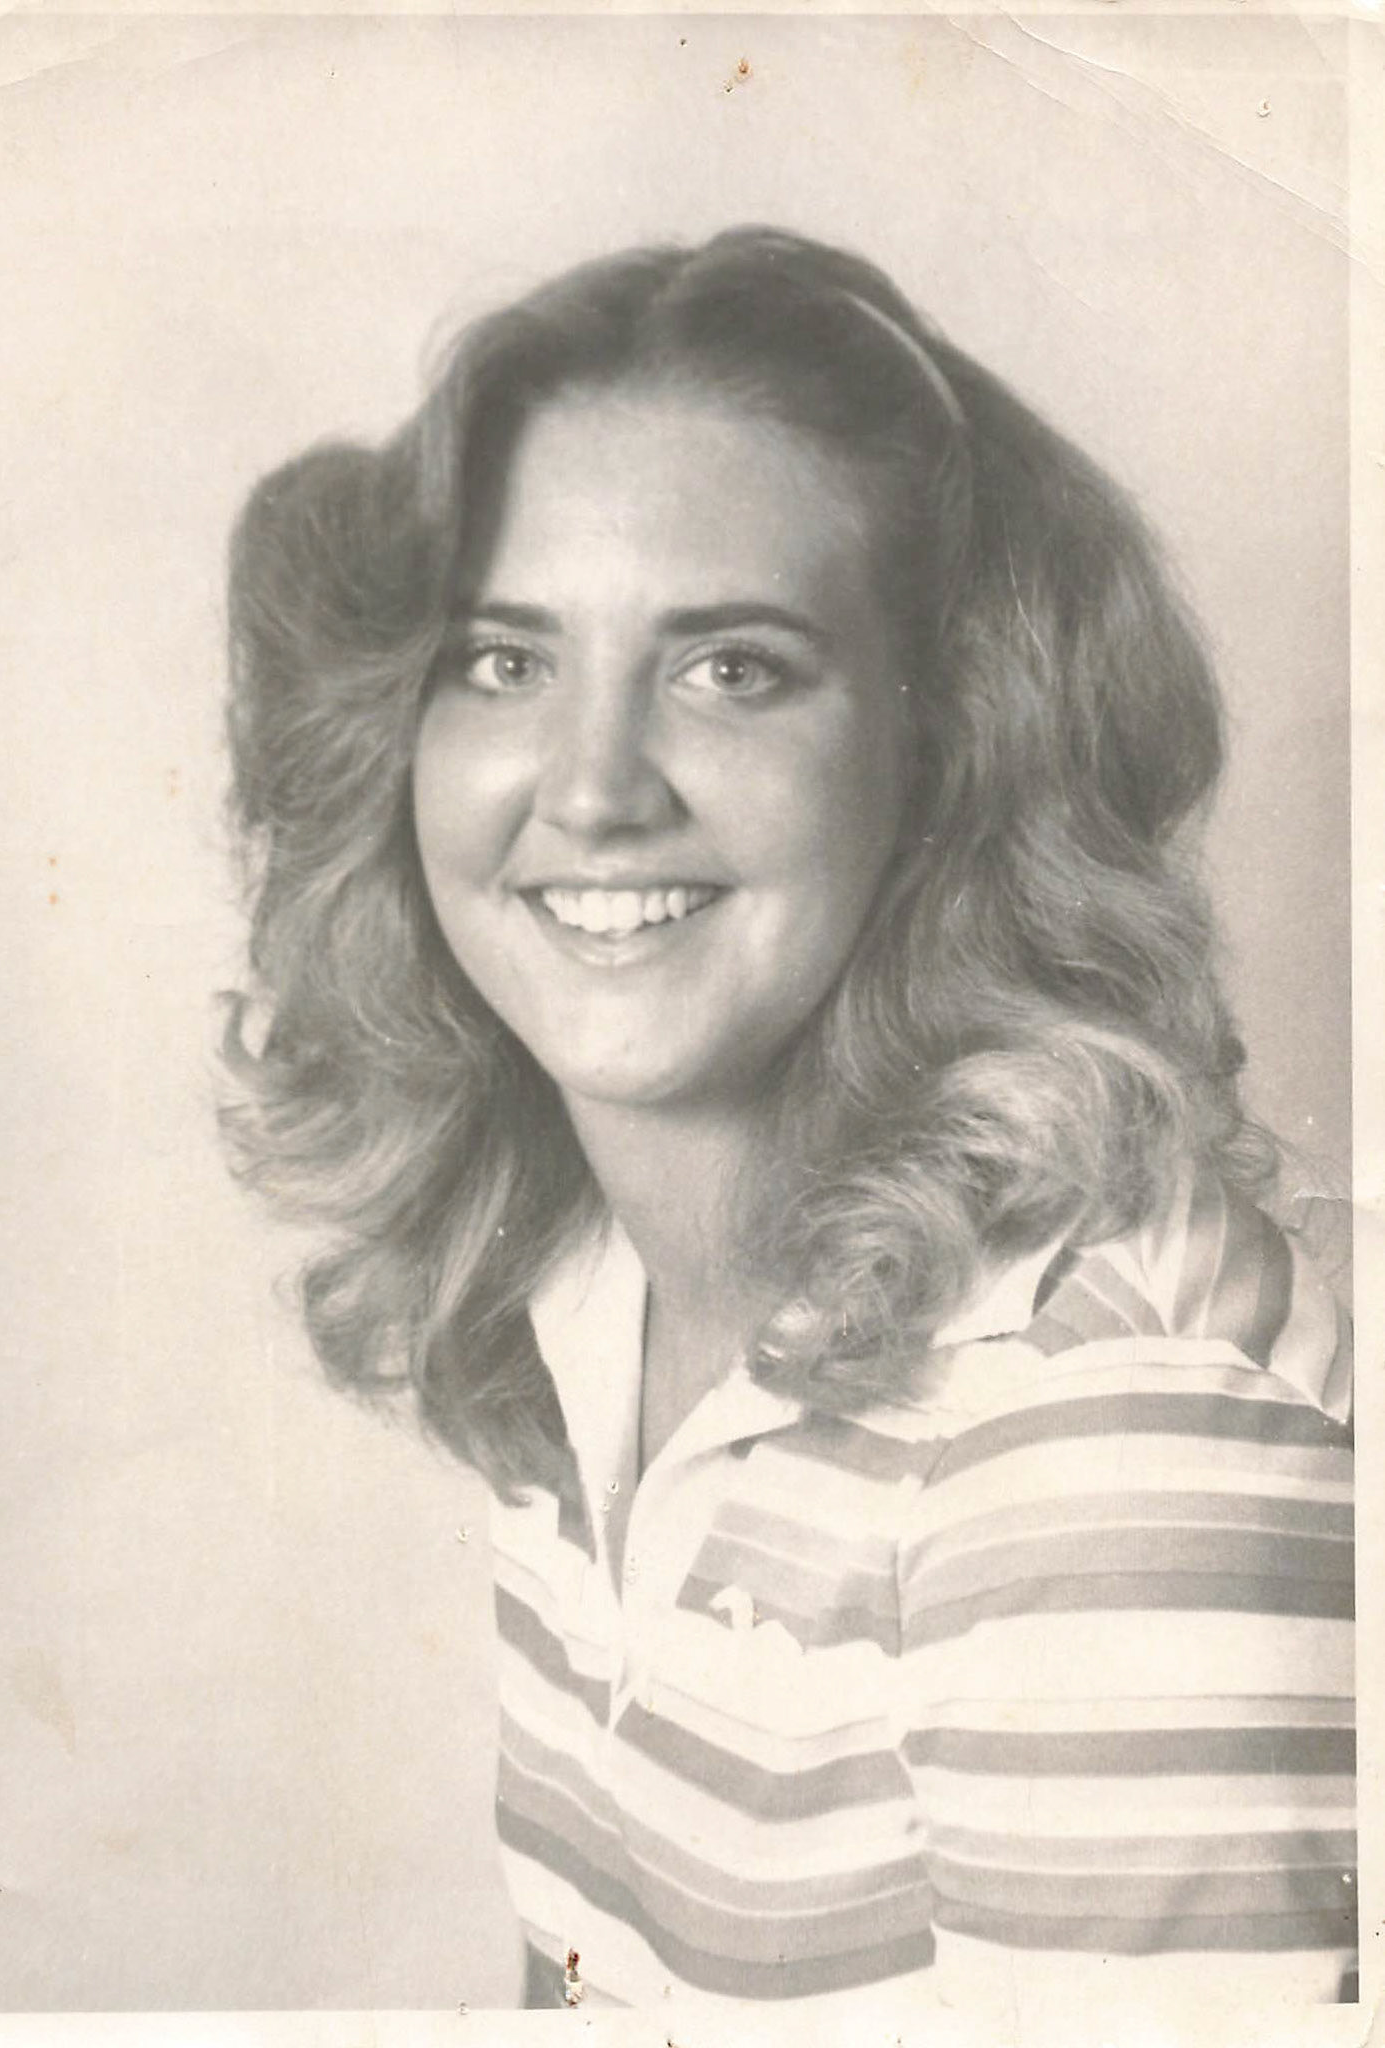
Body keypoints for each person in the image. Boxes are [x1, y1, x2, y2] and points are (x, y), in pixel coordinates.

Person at [220, 227, 1355, 2019]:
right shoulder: (580, 1286)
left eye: (730, 669)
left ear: (946, 750)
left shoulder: (1096, 1434)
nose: (592, 789)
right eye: (503, 661)